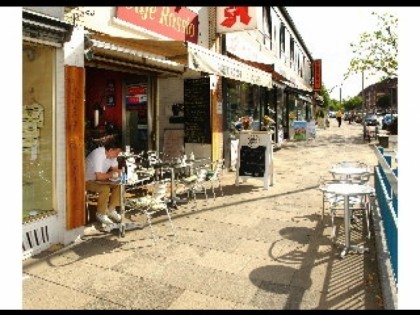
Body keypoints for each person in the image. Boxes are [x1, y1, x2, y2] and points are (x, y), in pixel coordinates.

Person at [85, 139, 123, 225]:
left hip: (99, 180)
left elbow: (116, 171)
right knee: (105, 188)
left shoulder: (111, 156)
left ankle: (111, 210)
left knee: (119, 185)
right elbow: (99, 176)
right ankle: (100, 214)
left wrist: (121, 173)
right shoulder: (99, 154)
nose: (117, 155)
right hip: (88, 180)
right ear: (110, 150)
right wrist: (111, 174)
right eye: (117, 153)